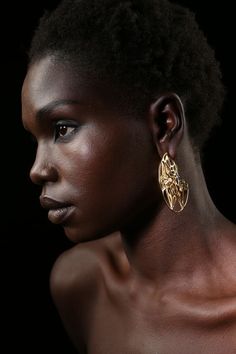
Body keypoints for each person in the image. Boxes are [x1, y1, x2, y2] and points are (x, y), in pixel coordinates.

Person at [21, 0, 236, 352]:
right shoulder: (81, 284)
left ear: (164, 124)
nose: (37, 169)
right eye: (36, 139)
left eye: (62, 129)